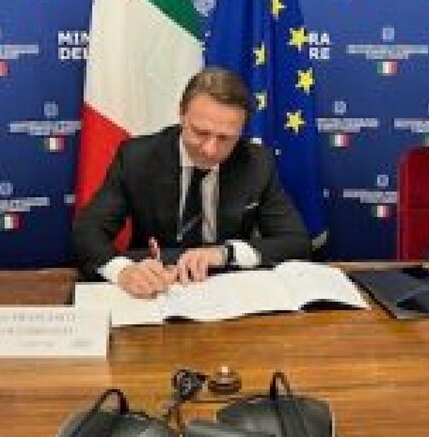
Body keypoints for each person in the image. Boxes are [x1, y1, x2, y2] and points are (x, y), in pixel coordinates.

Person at [71, 67, 311, 298]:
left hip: (225, 289)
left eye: (225, 138)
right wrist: (123, 271)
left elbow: (296, 242)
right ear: (181, 115)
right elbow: (87, 232)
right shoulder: (137, 157)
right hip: (154, 287)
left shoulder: (257, 163)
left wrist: (224, 254)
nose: (210, 149)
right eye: (201, 133)